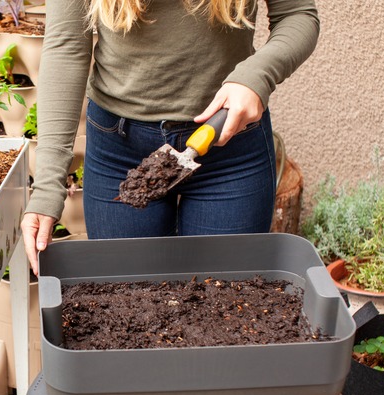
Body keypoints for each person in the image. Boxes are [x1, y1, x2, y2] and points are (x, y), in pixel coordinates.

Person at [22, 0, 320, 274]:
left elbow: (297, 15)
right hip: (119, 152)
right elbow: (67, 46)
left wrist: (257, 76)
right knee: (128, 307)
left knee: (225, 311)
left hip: (229, 149)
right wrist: (48, 186)